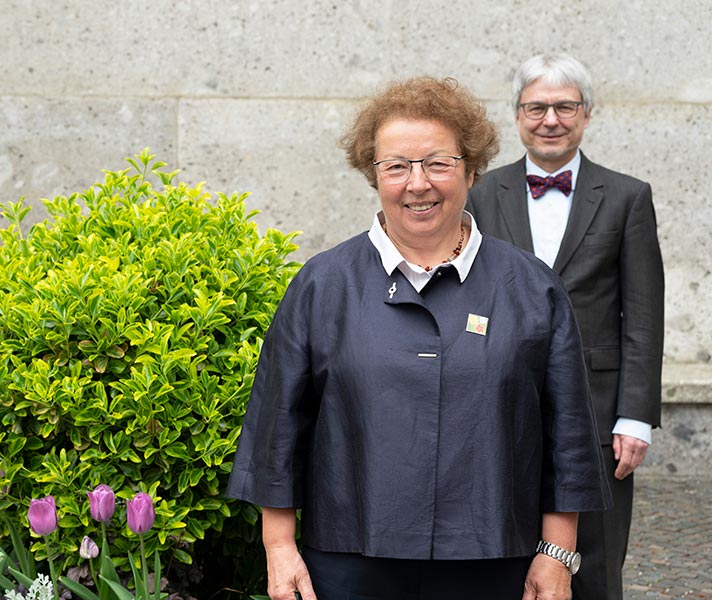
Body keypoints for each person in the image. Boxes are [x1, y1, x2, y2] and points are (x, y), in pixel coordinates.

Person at [227, 76, 612, 600]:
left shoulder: (531, 287)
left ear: (471, 169)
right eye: (397, 166)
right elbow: (277, 427)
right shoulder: (323, 284)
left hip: (494, 558)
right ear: (373, 175)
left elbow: (566, 431)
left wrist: (557, 553)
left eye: (437, 163)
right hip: (348, 559)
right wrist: (278, 546)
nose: (417, 183)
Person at [466, 54, 664, 600]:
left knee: (595, 563)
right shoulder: (482, 195)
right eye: (536, 107)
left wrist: (636, 418)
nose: (550, 119)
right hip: (504, 405)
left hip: (600, 413)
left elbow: (643, 316)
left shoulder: (628, 197)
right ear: (516, 116)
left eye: (564, 106)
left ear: (586, 114)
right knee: (506, 552)